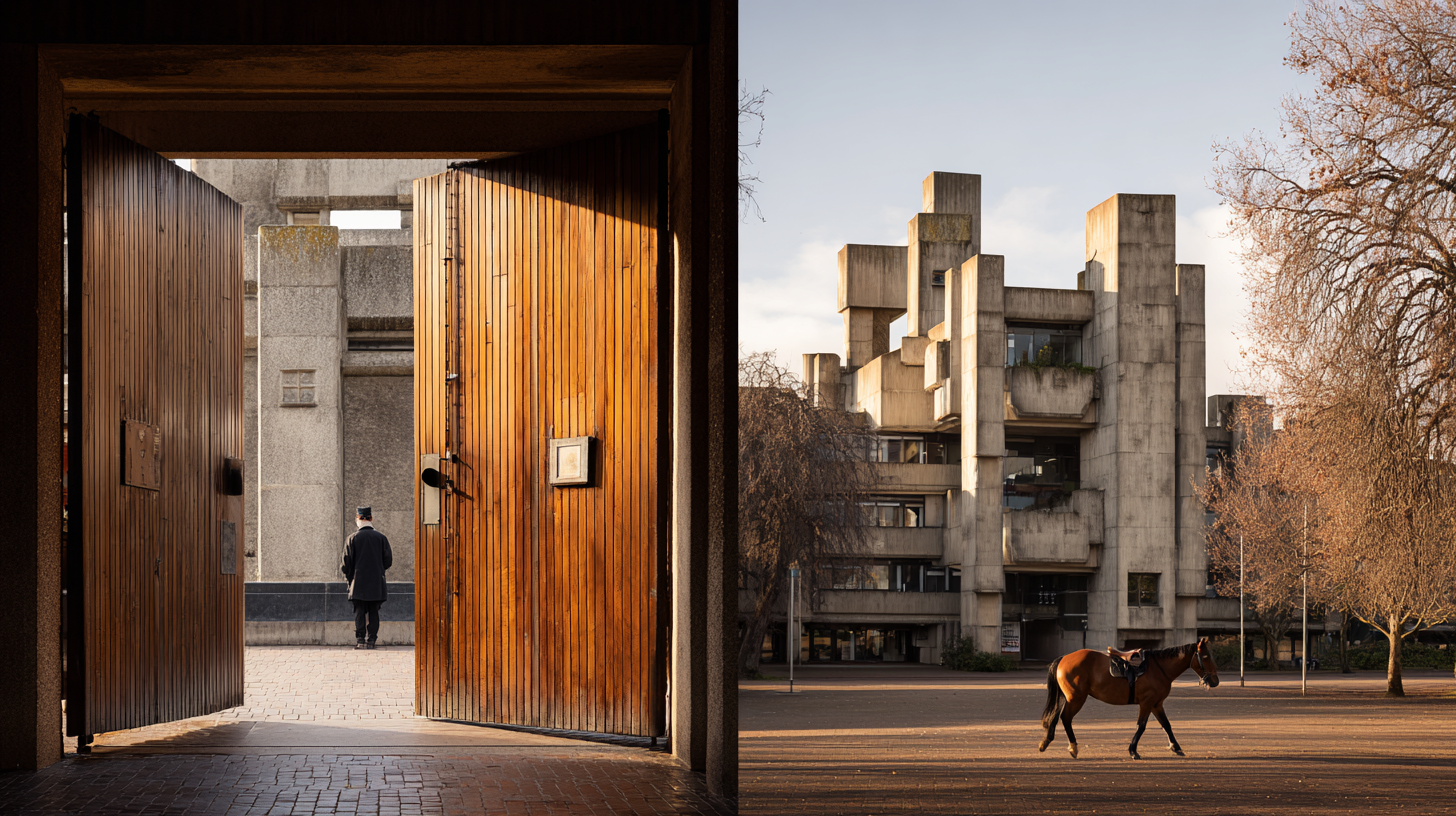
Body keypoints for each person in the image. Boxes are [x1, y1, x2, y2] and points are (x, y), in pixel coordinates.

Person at [341, 506, 392, 650]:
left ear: (358, 519)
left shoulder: (352, 538)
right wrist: (378, 571)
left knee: (359, 612)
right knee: (374, 611)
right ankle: (372, 640)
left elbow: (345, 564)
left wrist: (350, 578)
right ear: (371, 518)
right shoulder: (381, 538)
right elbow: (388, 561)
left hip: (357, 582)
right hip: (376, 582)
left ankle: (360, 640)